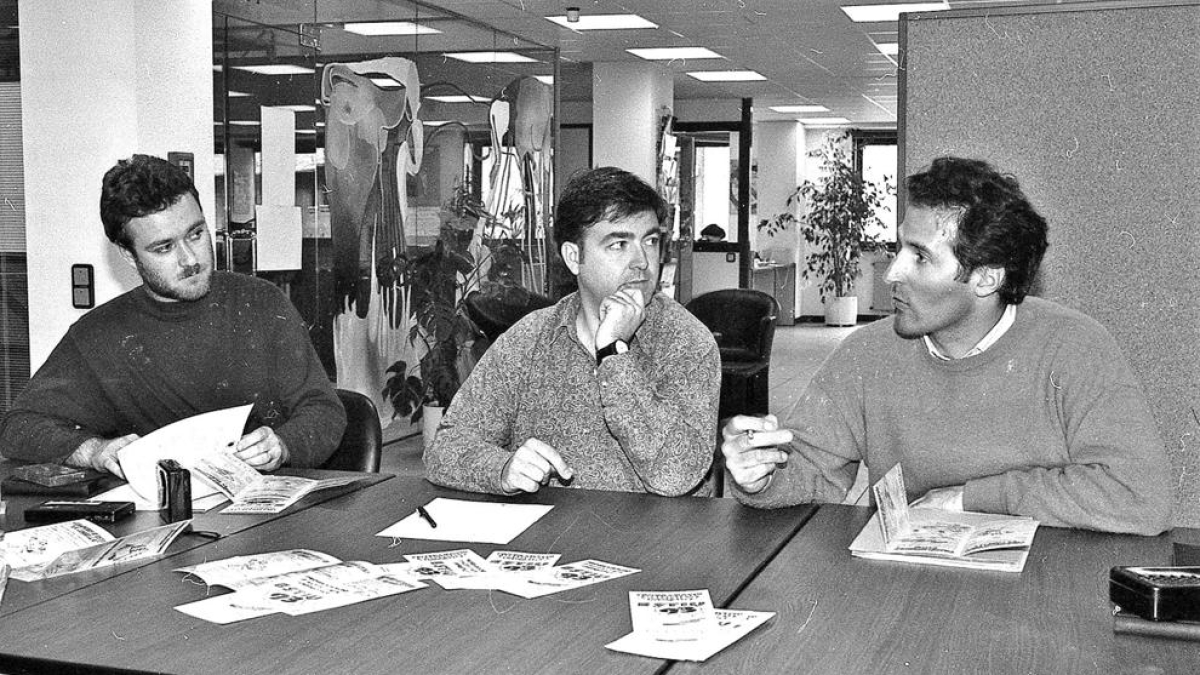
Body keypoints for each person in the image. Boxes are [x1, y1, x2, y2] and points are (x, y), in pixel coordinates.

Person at [721, 157, 1173, 535]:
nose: (893, 272)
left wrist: (971, 500)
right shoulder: (867, 354)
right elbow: (810, 473)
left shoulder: (1075, 347)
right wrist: (759, 474)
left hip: (1044, 585)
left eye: (920, 256)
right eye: (900, 248)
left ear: (986, 278)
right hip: (914, 578)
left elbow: (1140, 495)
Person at [0, 154, 346, 477]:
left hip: (273, 507)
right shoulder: (100, 335)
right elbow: (19, 427)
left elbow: (324, 410)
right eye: (164, 248)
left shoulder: (261, 302)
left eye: (196, 234)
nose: (190, 259)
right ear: (129, 256)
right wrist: (93, 451)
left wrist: (282, 446)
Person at [425, 166, 720, 496]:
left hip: (655, 540)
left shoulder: (686, 341)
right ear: (573, 257)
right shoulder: (531, 339)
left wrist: (612, 351)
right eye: (619, 244)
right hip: (553, 538)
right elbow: (445, 449)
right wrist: (503, 469)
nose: (642, 262)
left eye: (650, 241)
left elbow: (675, 477)